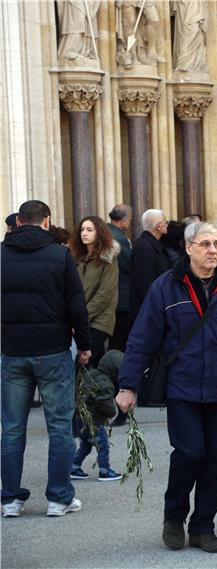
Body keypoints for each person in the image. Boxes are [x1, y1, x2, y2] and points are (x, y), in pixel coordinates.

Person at [116, 222, 217, 553]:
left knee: (214, 460)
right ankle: (174, 516)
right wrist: (128, 385)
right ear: (189, 247)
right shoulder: (166, 287)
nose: (213, 250)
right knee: (190, 452)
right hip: (183, 386)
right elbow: (142, 339)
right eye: (205, 243)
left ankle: (203, 526)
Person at [1, 200, 90, 518]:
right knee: (60, 427)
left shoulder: (2, 255)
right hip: (53, 351)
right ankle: (59, 497)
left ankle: (10, 498)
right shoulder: (59, 254)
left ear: (19, 222)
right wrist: (84, 343)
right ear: (46, 221)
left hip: (12, 352)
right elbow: (76, 303)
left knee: (11, 428)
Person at [68, 216, 120, 368]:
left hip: (99, 321)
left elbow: (104, 295)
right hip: (79, 319)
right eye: (82, 230)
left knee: (80, 364)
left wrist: (80, 318)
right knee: (90, 366)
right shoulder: (77, 257)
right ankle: (96, 391)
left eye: (90, 230)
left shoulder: (108, 258)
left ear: (99, 233)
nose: (84, 233)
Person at [71, 350, 123, 482]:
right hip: (93, 421)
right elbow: (103, 402)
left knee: (85, 446)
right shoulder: (106, 384)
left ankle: (73, 467)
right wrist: (112, 412)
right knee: (103, 446)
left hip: (80, 418)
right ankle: (104, 471)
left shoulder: (92, 374)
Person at [130, 209, 170, 325]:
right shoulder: (145, 247)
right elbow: (145, 283)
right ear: (158, 226)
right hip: (149, 310)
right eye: (165, 222)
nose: (167, 225)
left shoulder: (149, 245)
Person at [107, 204, 133, 351]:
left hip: (111, 292)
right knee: (119, 339)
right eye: (129, 219)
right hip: (120, 294)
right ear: (123, 219)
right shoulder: (119, 238)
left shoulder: (105, 231)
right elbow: (128, 265)